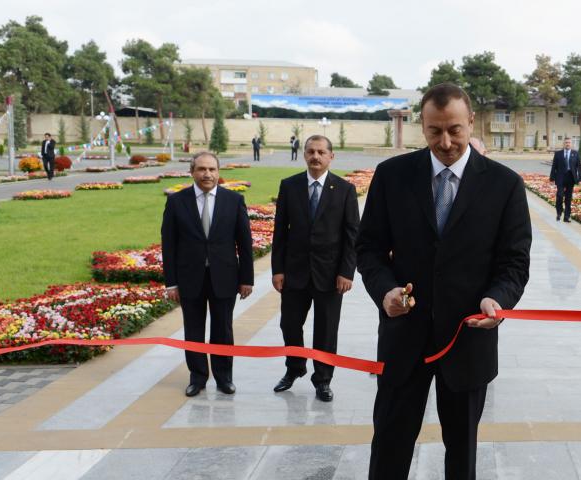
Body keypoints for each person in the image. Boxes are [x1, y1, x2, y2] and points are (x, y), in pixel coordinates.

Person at [357, 82, 532, 479]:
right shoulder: (392, 176)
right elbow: (368, 249)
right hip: (404, 339)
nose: (446, 141)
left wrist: (496, 300)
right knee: (389, 444)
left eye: (455, 129)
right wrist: (385, 292)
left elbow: (514, 263)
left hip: (468, 338)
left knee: (462, 453)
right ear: (423, 125)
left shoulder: (504, 185)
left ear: (471, 122)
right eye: (435, 131)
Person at [270, 135, 360, 402]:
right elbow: (280, 233)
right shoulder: (290, 186)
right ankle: (295, 368)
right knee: (289, 325)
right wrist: (278, 269)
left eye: (321, 152)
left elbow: (352, 235)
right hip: (294, 272)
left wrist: (346, 271)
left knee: (326, 329)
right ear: (304, 154)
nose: (315, 157)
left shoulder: (344, 190)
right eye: (310, 151)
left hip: (330, 275)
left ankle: (322, 379)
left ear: (331, 156)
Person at [161, 151, 255, 397]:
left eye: (212, 169)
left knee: (222, 329)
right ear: (192, 172)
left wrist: (247, 279)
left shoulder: (234, 200)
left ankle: (224, 378)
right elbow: (168, 245)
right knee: (193, 330)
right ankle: (198, 377)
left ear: (218, 172)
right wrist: (171, 283)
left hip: (225, 277)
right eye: (202, 169)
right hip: (189, 278)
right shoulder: (176, 202)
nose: (207, 174)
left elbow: (244, 243)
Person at [549, 137, 581, 222]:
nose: (567, 144)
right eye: (566, 142)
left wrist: (580, 179)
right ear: (564, 144)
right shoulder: (558, 154)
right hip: (560, 177)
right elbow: (554, 167)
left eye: (569, 143)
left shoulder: (575, 153)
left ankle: (566, 217)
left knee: (568, 198)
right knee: (559, 196)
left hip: (571, 178)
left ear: (571, 144)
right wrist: (552, 178)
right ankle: (559, 213)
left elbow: (579, 167)